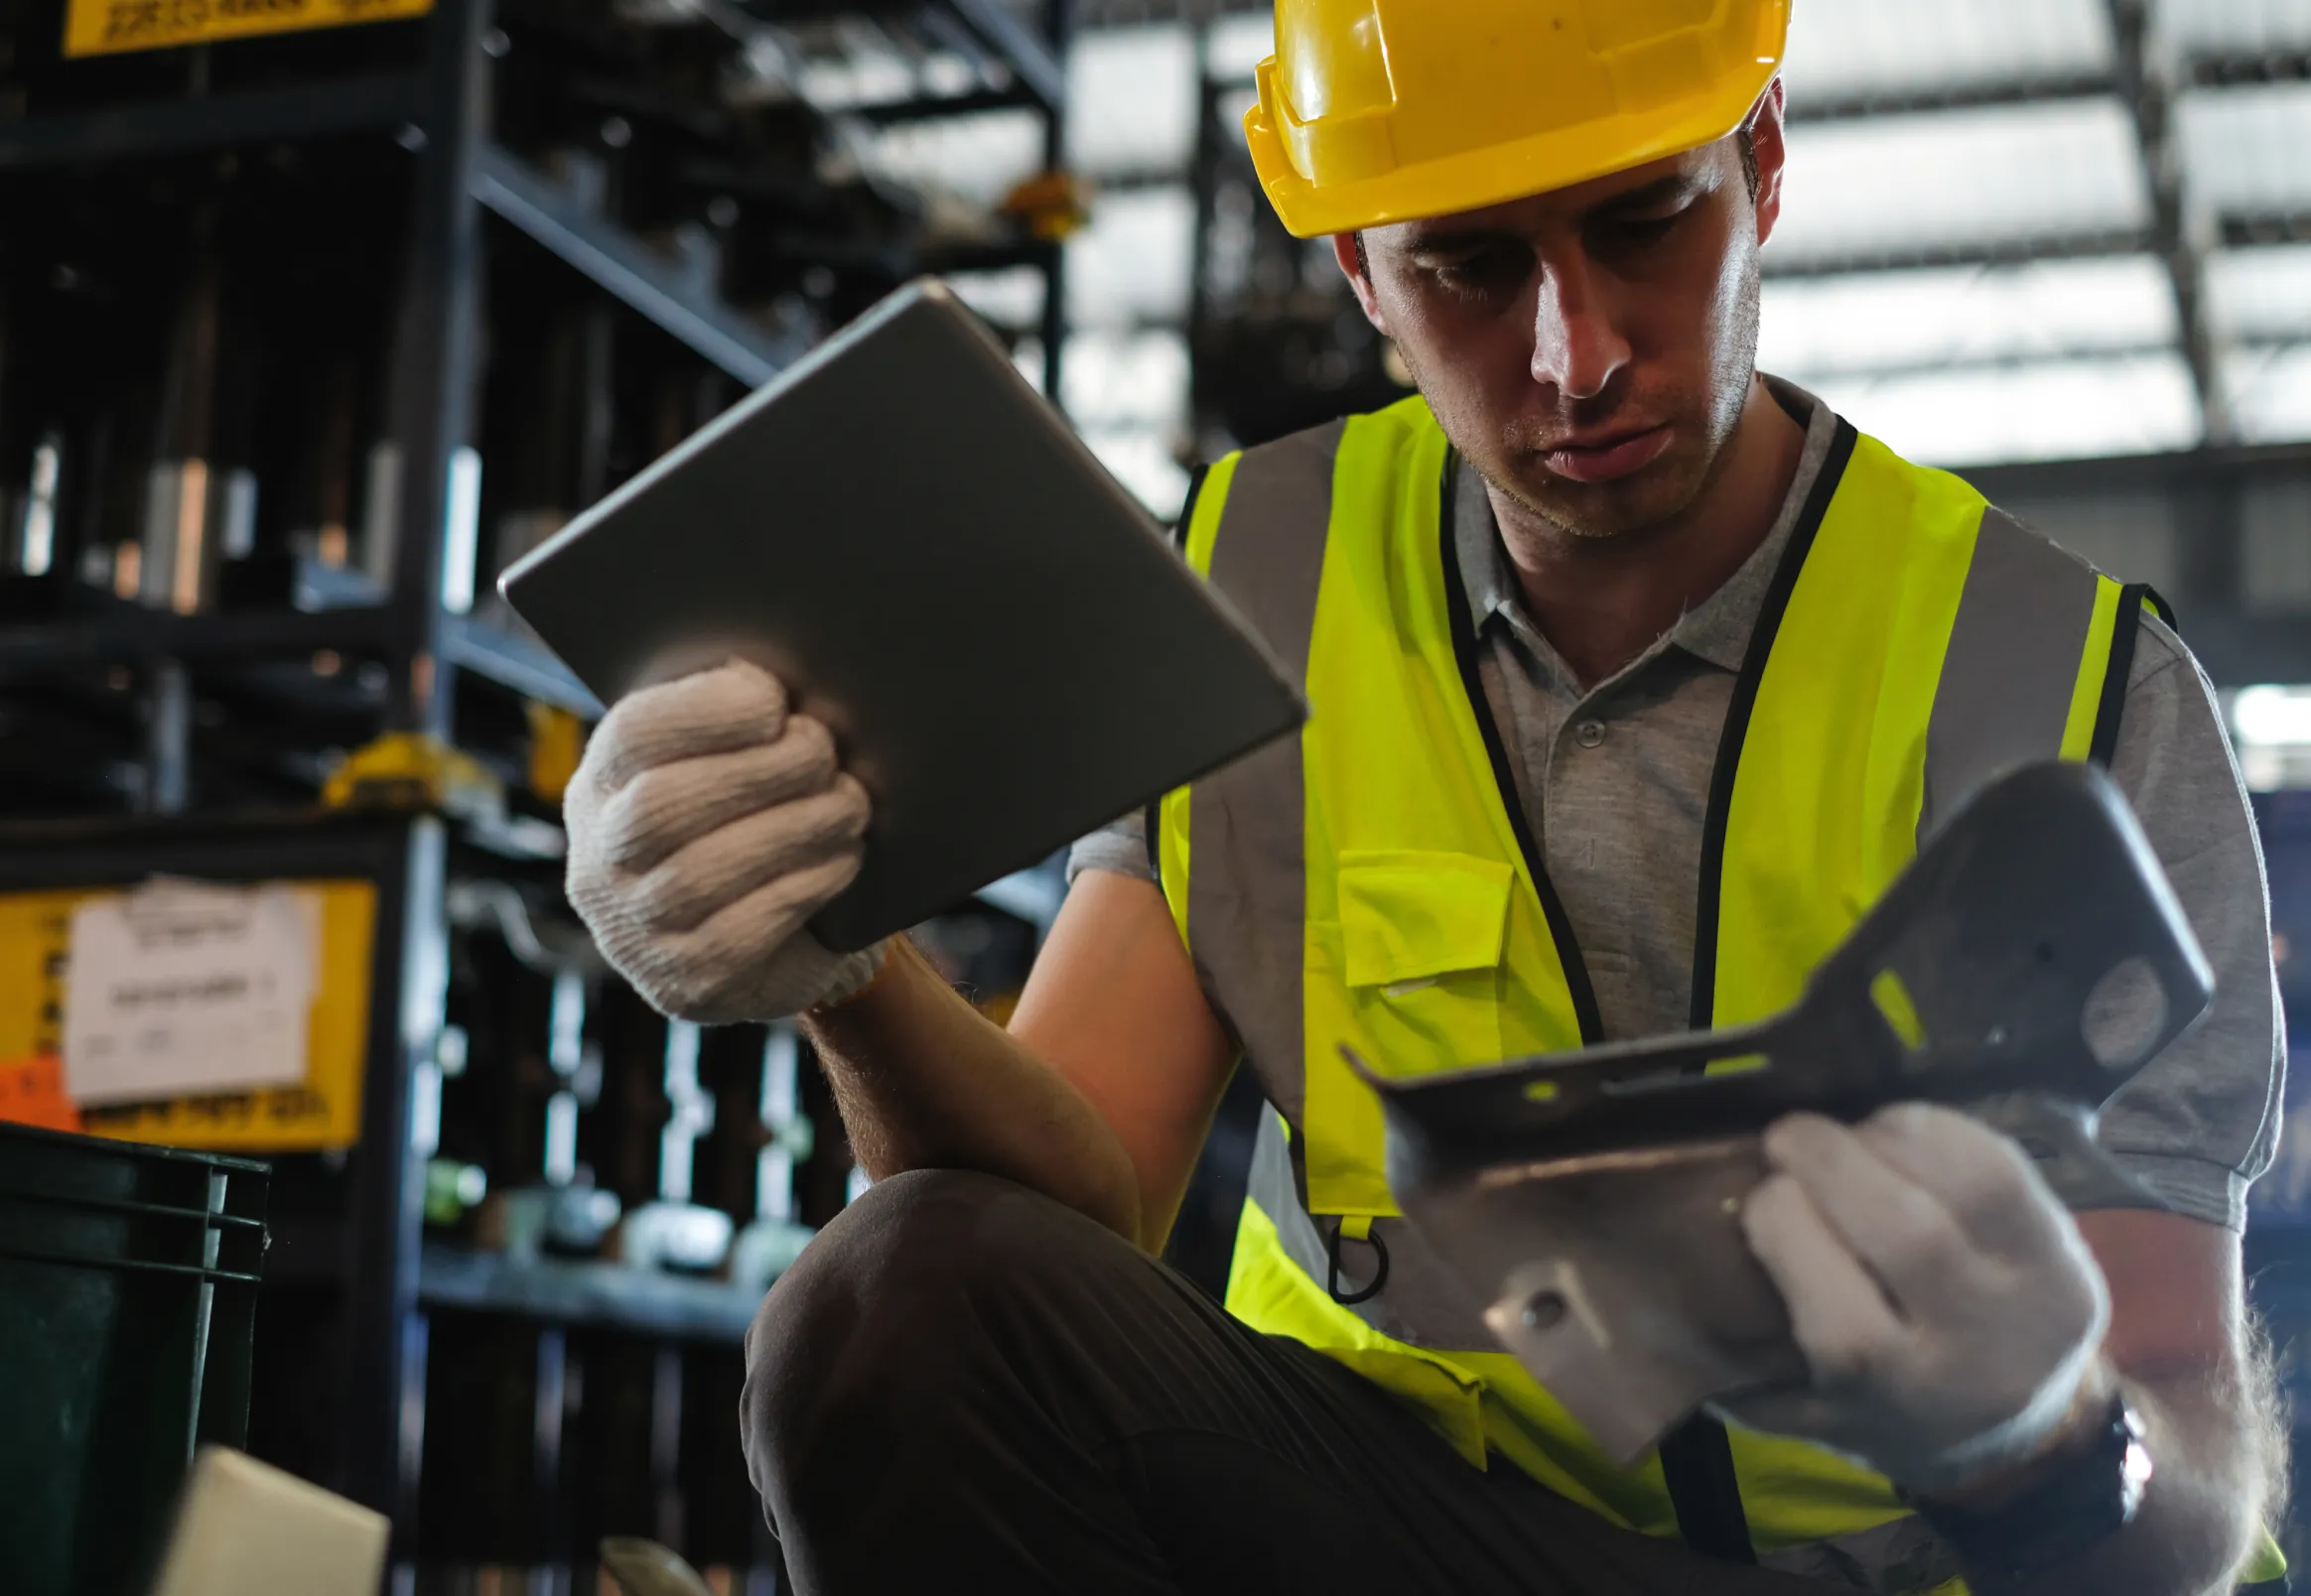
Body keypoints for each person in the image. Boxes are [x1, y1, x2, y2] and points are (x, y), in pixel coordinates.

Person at [561, 3, 2288, 1591]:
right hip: (1405, 1541)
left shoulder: (2069, 678)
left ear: (1762, 159)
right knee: (887, 1297)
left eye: (1642, 222)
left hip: (1899, 1577)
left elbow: (2192, 1483)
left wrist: (2047, 1441)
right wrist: (845, 968)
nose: (1577, 355)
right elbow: (1054, 1221)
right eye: (1467, 266)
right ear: (1360, 278)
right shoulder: (1261, 572)